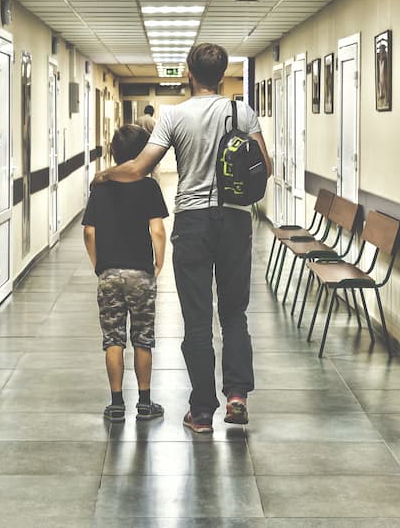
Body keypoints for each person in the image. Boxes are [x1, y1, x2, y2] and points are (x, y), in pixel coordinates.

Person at [93, 43, 272, 434]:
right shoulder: (242, 111)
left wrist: (106, 175)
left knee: (196, 319)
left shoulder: (174, 115)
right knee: (234, 312)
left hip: (193, 222)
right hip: (236, 220)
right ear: (223, 75)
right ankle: (237, 396)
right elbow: (265, 166)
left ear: (189, 73)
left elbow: (140, 168)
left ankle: (203, 410)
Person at [82, 124, 169, 423]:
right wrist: (158, 263)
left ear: (114, 152)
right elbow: (157, 230)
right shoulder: (149, 186)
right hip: (140, 272)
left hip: (109, 273)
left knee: (113, 338)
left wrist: (99, 265)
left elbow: (89, 232)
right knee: (143, 338)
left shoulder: (101, 186)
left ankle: (116, 404)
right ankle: (145, 403)